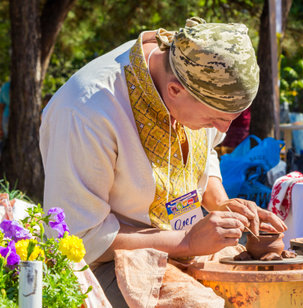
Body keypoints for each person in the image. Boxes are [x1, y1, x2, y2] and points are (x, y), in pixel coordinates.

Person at [40, 17, 287, 306]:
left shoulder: (195, 74)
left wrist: (221, 203)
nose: (222, 130)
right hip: (105, 264)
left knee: (268, 292)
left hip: (184, 243)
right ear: (174, 91)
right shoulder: (87, 112)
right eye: (215, 119)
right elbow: (82, 238)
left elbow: (204, 153)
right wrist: (186, 242)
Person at [0, 81, 10, 147]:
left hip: (6, 117)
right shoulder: (28, 83)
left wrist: (0, 125)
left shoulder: (5, 87)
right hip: (24, 119)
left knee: (8, 142)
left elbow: (1, 108)